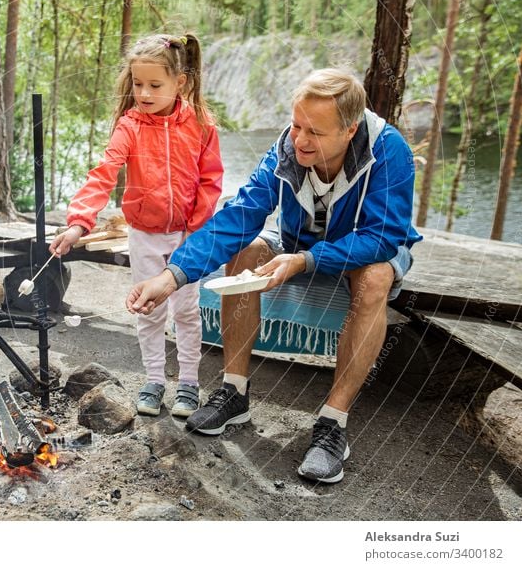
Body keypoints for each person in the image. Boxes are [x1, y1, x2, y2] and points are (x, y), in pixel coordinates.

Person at [126, 68, 422, 483]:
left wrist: (305, 261)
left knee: (375, 277)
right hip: (296, 236)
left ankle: (333, 422)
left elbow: (383, 236)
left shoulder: (390, 152)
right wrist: (171, 276)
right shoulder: (287, 148)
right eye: (296, 124)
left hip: (364, 245)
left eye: (314, 132)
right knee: (247, 248)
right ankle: (235, 391)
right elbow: (240, 217)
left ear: (350, 130)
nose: (299, 139)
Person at [50, 33, 224, 418]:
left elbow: (211, 181)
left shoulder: (200, 123)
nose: (143, 93)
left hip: (187, 236)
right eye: (137, 83)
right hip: (144, 234)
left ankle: (189, 384)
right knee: (148, 310)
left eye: (154, 85)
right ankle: (154, 380)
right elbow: (103, 174)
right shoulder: (129, 126)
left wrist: (196, 230)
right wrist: (79, 224)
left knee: (187, 310)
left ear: (180, 82)